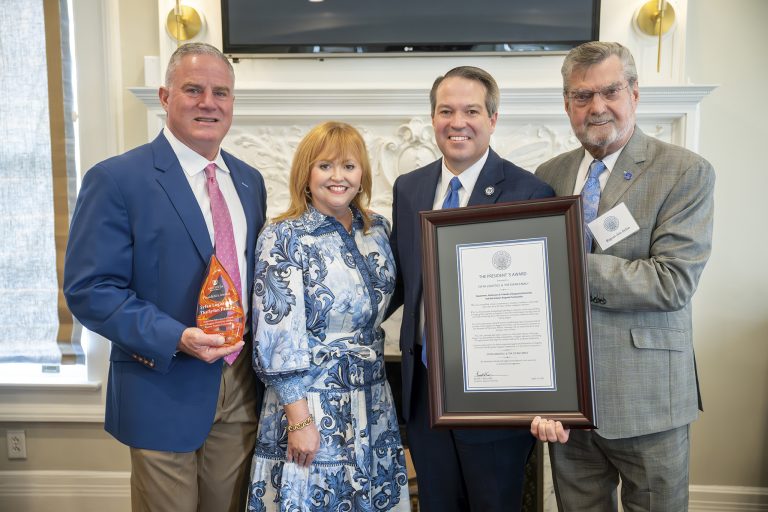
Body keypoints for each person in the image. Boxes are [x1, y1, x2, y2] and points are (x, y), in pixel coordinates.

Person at [63, 43, 267, 512]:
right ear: (164, 96)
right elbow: (90, 290)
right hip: (162, 383)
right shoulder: (117, 179)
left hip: (240, 389)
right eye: (193, 89)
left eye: (221, 92)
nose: (208, 102)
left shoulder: (249, 181)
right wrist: (177, 337)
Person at [531, 41, 715, 511]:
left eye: (610, 91)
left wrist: (564, 260)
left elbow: (672, 281)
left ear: (634, 93)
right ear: (567, 104)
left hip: (648, 397)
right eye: (581, 96)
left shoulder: (684, 171)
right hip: (569, 403)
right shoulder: (547, 175)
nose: (596, 107)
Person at [390, 66, 555, 511]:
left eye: (471, 110)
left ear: (493, 119)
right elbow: (400, 280)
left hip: (495, 399)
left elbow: (544, 305)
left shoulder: (530, 192)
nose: (457, 122)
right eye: (446, 110)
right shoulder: (409, 189)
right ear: (432, 118)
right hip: (424, 391)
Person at [247, 121, 410, 511]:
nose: (338, 177)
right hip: (311, 404)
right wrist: (299, 421)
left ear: (362, 174)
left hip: (374, 403)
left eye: (349, 166)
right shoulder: (283, 235)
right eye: (325, 166)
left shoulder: (378, 230)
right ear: (306, 173)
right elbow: (276, 335)